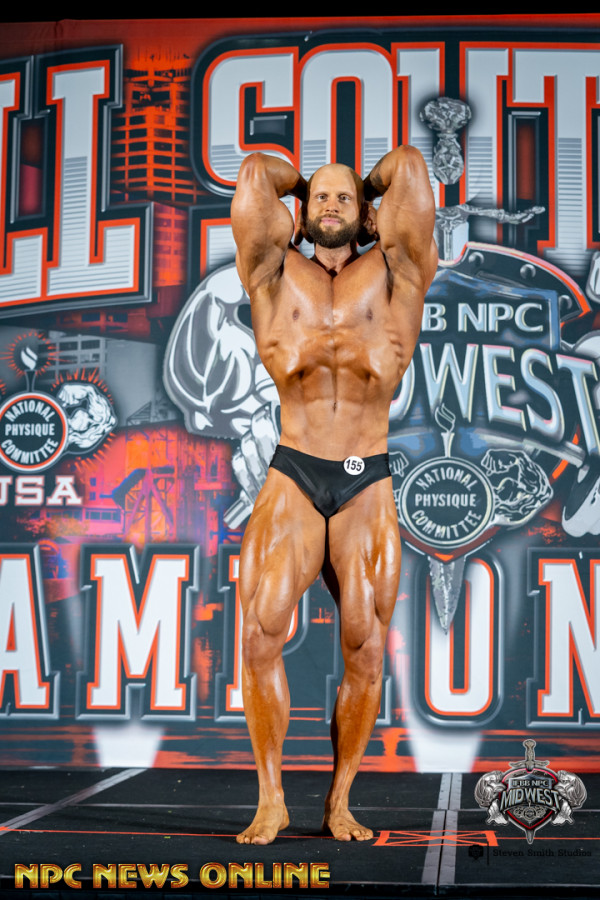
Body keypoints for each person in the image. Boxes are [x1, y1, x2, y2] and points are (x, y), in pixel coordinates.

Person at [230, 146, 437, 845]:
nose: (329, 205)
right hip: (295, 469)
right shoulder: (270, 270)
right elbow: (255, 174)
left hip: (365, 478)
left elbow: (409, 167)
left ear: (367, 213)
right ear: (299, 211)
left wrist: (366, 188)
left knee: (366, 646)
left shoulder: (399, 272)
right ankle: (271, 800)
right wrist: (308, 182)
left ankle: (340, 800)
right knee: (259, 632)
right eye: (319, 197)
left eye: (343, 198)